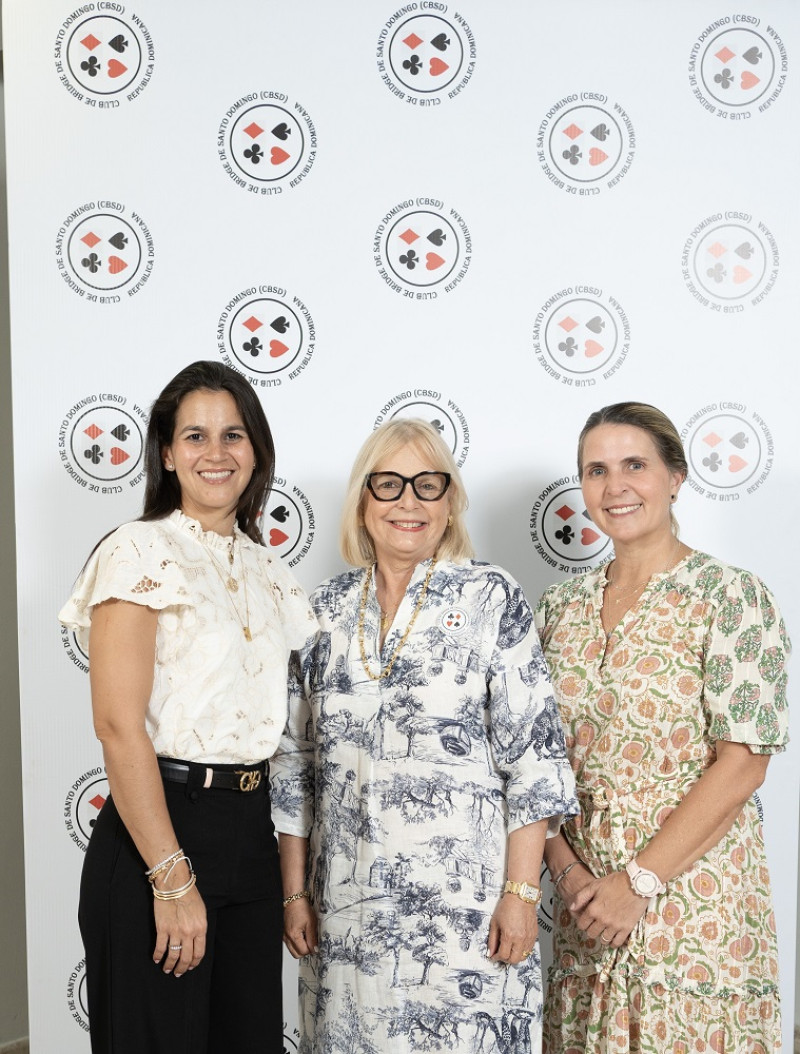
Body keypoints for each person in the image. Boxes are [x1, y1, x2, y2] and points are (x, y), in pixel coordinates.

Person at [270, 418, 578, 1053]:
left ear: (450, 501)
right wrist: (295, 892)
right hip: (344, 915)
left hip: (468, 917)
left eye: (427, 484)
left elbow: (534, 760)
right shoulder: (321, 610)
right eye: (388, 484)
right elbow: (294, 765)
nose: (408, 501)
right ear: (363, 500)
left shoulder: (492, 597)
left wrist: (521, 896)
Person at [59, 361, 317, 1053]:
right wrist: (171, 879)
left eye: (234, 434)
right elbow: (117, 725)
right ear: (167, 453)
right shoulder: (140, 550)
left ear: (255, 449)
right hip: (161, 830)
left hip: (250, 833)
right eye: (195, 436)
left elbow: (292, 735)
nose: (216, 452)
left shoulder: (271, 572)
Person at [534, 401, 789, 1053]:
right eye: (595, 470)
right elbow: (529, 763)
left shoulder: (731, 597)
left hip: (690, 901)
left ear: (675, 477)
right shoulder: (557, 609)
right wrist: (570, 881)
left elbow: (743, 764)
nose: (614, 486)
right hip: (585, 908)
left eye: (634, 465)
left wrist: (638, 882)